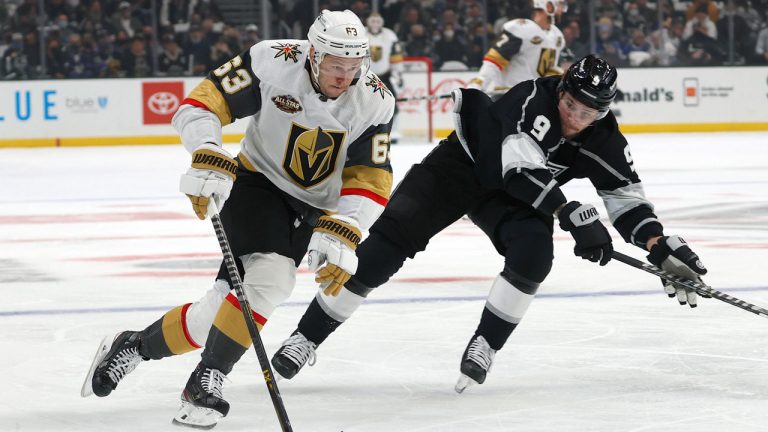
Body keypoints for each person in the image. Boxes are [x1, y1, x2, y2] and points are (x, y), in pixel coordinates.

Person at [269, 55, 708, 394]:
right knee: (383, 250)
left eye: (589, 114)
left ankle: (486, 343)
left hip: (513, 198)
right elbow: (518, 169)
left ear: (605, 112)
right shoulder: (532, 97)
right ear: (561, 91)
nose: (576, 118)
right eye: (571, 104)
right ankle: (306, 337)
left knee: (535, 257)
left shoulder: (606, 138)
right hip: (460, 168)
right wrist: (571, 213)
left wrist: (657, 243)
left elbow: (625, 197)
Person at [81, 9, 395, 429]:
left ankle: (133, 346)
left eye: (353, 67)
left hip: (315, 206)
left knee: (221, 308)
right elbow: (202, 102)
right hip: (257, 183)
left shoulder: (373, 99)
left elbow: (371, 175)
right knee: (272, 280)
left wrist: (348, 226)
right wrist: (207, 149)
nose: (344, 77)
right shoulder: (273, 61)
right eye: (336, 66)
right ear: (314, 55)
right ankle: (205, 383)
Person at [467, 0, 565, 95]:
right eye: (560, 4)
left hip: (533, 98)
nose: (563, 9)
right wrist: (478, 84)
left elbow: (548, 71)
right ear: (548, 6)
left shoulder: (557, 36)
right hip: (509, 94)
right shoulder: (522, 29)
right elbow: (495, 59)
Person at [365, 12, 404, 142]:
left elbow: (396, 56)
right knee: (365, 105)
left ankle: (395, 131)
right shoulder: (361, 34)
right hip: (366, 77)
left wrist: (398, 74)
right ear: (368, 21)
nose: (375, 24)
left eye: (378, 21)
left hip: (385, 76)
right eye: (373, 21)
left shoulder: (390, 35)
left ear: (382, 22)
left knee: (393, 104)